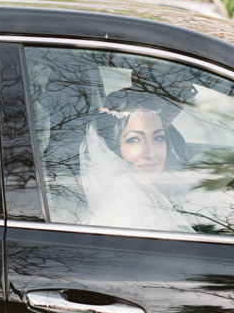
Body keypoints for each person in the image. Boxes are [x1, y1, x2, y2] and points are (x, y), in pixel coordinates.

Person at [79, 95, 194, 232]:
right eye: (134, 140)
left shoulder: (157, 201)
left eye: (158, 138)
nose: (151, 153)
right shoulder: (115, 223)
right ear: (108, 148)